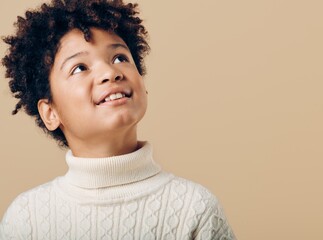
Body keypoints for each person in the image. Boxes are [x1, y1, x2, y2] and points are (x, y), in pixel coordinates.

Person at [0, 0, 235, 239]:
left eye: (120, 58)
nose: (110, 72)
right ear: (50, 113)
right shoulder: (26, 219)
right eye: (80, 68)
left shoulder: (195, 209)